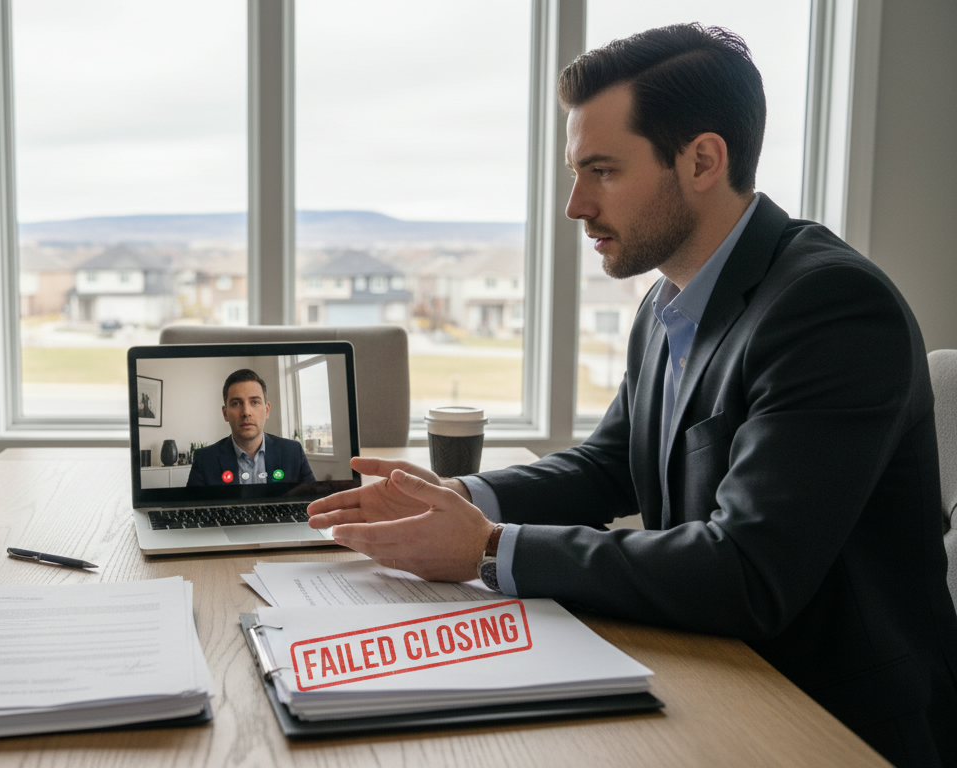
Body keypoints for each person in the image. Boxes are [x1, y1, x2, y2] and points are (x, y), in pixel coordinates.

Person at [307, 24, 957, 766]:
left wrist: (485, 549)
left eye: (603, 170)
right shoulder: (668, 301)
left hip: (826, 719)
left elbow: (747, 572)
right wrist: (454, 496)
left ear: (703, 160)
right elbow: (610, 466)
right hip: (716, 671)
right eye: (575, 172)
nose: (576, 205)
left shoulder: (832, 308)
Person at [186, 369, 315, 486]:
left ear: (267, 410)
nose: (246, 412)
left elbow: (314, 504)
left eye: (255, 402)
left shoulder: (293, 452)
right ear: (225, 413)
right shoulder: (205, 460)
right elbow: (193, 509)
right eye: (236, 403)